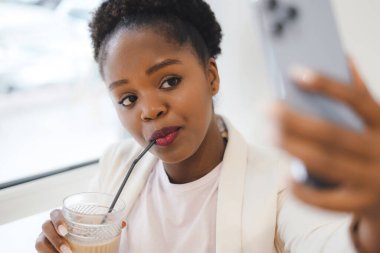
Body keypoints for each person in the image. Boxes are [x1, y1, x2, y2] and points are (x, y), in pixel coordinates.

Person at [35, 0, 380, 252]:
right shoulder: (116, 163)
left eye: (169, 80)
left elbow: (330, 244)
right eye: (128, 99)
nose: (150, 110)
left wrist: (375, 212)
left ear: (211, 76)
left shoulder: (277, 183)